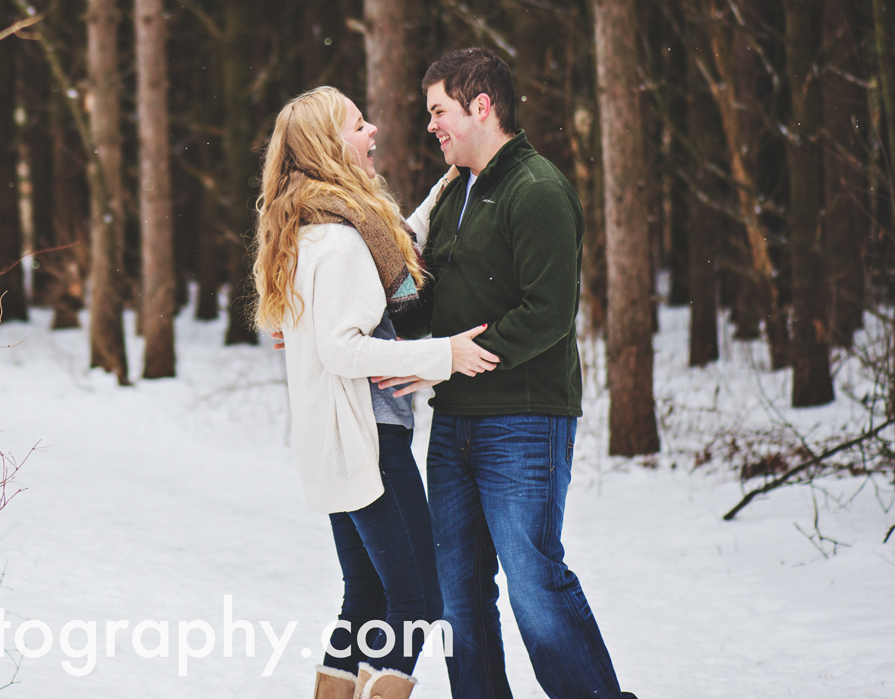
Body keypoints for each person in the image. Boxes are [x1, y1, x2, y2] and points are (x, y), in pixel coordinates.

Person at [375, 48, 636, 699]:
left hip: (523, 420)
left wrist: (461, 356)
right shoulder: (458, 192)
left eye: (439, 109)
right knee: (457, 590)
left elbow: (547, 313)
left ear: (481, 105)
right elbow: (431, 304)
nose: (431, 123)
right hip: (455, 421)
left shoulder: (537, 189)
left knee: (534, 581)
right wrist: (372, 311)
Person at [251, 86, 500, 699]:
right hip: (369, 441)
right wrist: (444, 354)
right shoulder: (337, 240)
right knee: (418, 602)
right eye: (359, 125)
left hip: (335, 439)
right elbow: (342, 347)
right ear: (329, 145)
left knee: (364, 597)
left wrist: (447, 185)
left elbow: (393, 247)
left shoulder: (320, 225)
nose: (374, 132)